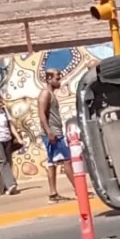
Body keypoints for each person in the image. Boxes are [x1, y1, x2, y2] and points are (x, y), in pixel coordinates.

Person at [38, 69, 75, 204]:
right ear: (49, 79)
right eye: (57, 78)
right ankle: (79, 189)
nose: (59, 80)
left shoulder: (51, 94)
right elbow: (41, 114)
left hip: (54, 132)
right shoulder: (45, 94)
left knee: (52, 163)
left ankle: (53, 194)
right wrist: (49, 132)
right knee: (67, 161)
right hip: (52, 134)